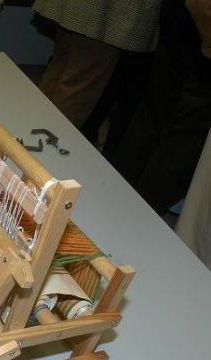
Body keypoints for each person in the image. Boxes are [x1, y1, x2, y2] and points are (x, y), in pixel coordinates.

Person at [112, 0, 211, 215]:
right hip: (202, 19)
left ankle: (116, 200)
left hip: (184, 12)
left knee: (156, 112)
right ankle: (140, 215)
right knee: (187, 131)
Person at [33, 0, 162, 129]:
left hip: (84, 8)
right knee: (78, 87)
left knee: (60, 71)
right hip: (109, 12)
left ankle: (29, 133)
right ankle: (48, 138)